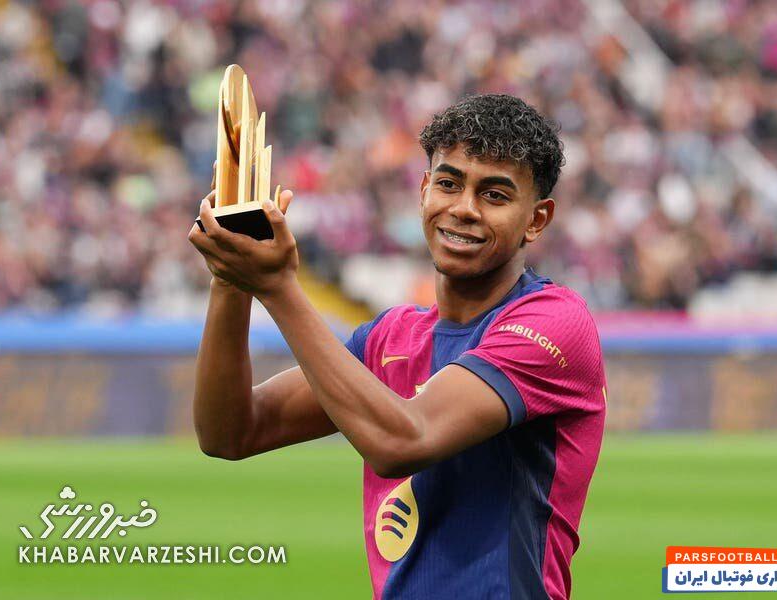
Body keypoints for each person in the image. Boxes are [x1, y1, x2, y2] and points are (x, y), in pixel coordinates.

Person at [188, 94, 606, 599]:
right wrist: (231, 277)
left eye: (494, 195)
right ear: (424, 190)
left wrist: (277, 287)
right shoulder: (390, 336)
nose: (464, 209)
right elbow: (231, 432)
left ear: (536, 219)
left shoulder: (555, 322)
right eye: (449, 184)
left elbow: (403, 442)